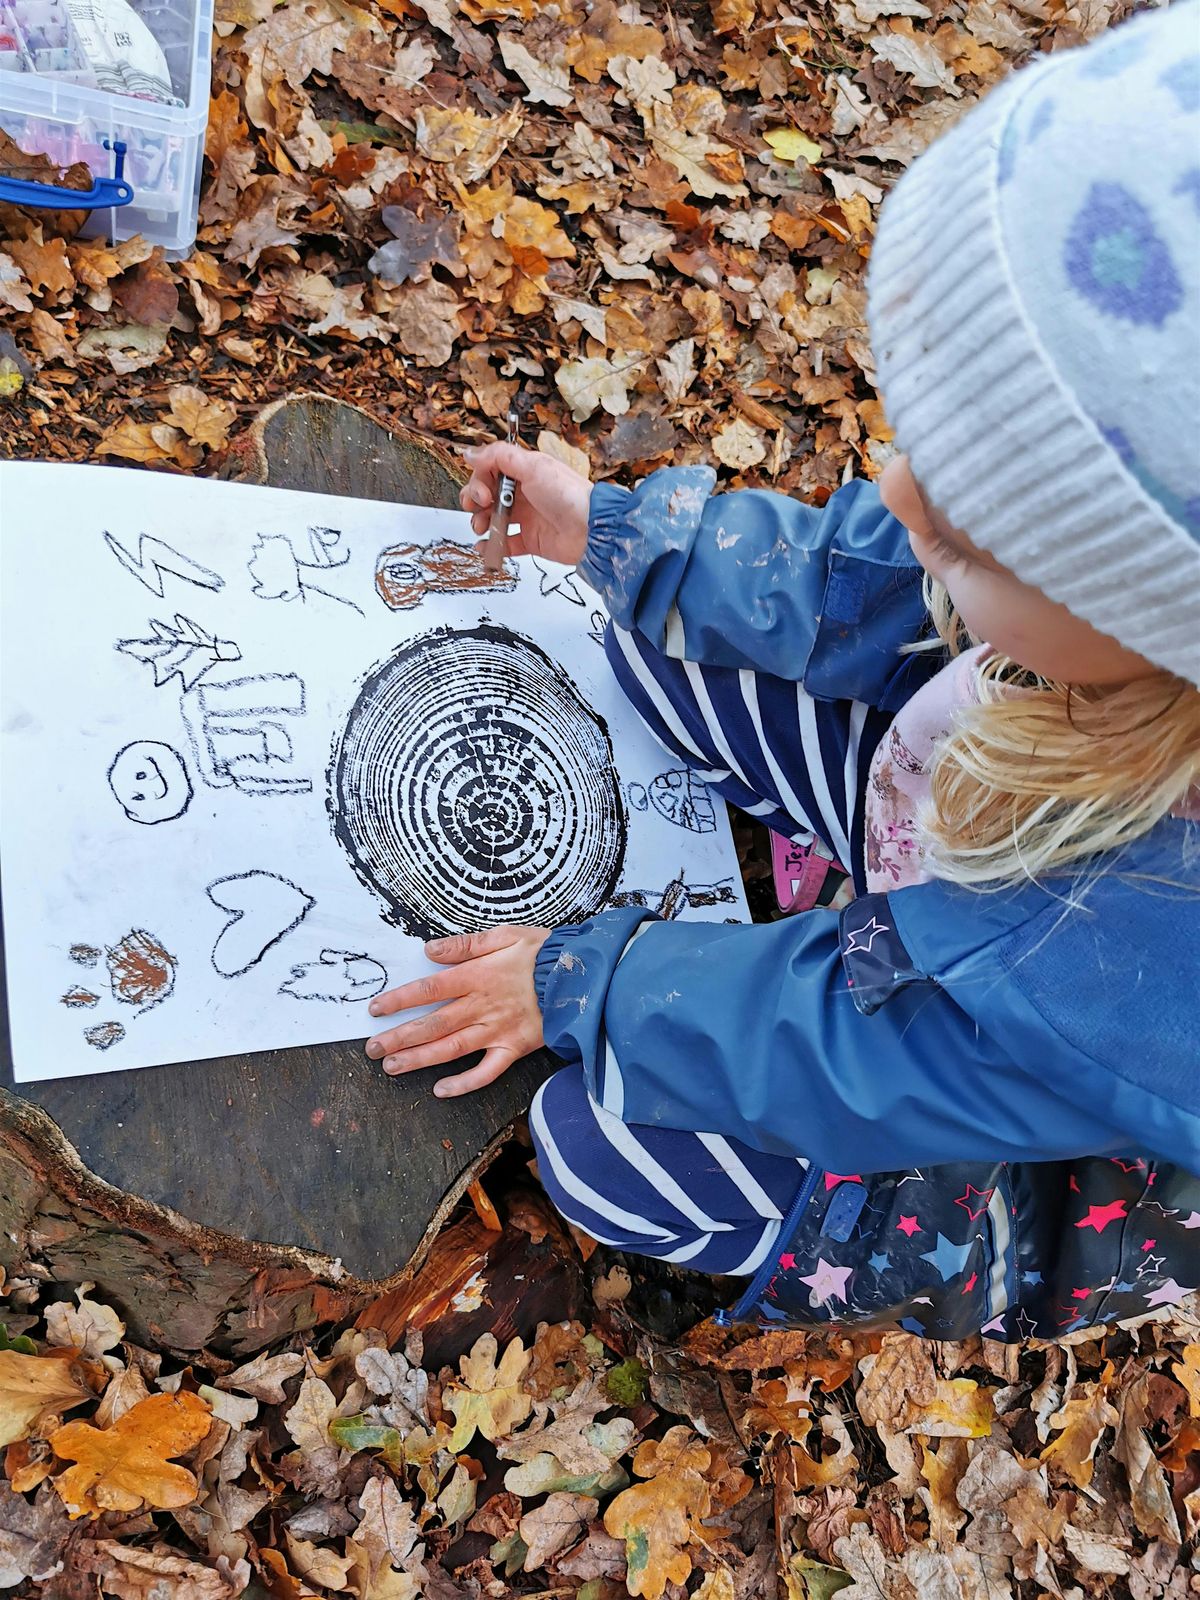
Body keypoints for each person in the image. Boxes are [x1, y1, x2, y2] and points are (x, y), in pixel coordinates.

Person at [364, 2, 1200, 1341]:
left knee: (596, 1145)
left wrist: (591, 985)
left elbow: (866, 1051)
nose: (894, 486)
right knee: (651, 632)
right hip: (973, 842)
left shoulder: (1156, 949)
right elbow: (864, 573)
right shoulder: (1082, 594)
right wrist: (617, 533)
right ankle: (841, 883)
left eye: (971, 525)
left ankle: (810, 1075)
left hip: (994, 1141)